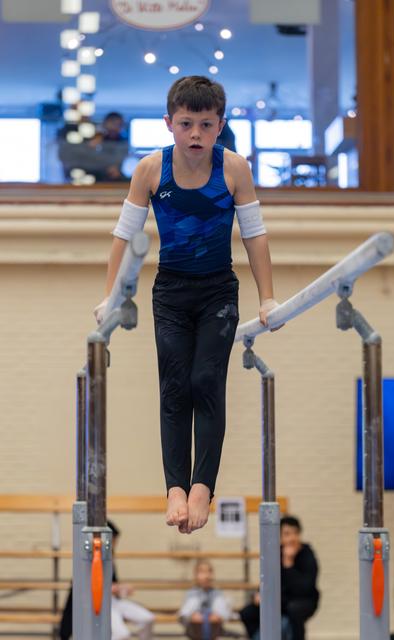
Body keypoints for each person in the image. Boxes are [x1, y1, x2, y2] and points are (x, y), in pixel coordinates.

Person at [94, 75, 282, 534]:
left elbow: (254, 236)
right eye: (186, 124)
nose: (195, 134)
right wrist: (110, 296)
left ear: (220, 126)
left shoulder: (234, 168)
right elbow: (124, 237)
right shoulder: (149, 170)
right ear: (169, 124)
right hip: (171, 292)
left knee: (205, 380)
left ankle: (202, 486)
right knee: (175, 386)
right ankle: (175, 486)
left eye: (205, 124)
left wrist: (268, 297)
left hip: (219, 290)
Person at [59, 520, 154, 640]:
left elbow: (112, 583)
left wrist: (120, 589)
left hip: (112, 601)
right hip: (97, 603)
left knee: (147, 619)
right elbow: (83, 586)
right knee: (122, 634)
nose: (115, 545)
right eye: (114, 541)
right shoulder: (88, 557)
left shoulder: (110, 556)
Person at [239, 516, 319, 640]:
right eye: (287, 534)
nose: (292, 538)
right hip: (281, 599)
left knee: (294, 610)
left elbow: (305, 588)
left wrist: (288, 563)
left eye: (295, 533)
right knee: (247, 612)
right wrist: (260, 594)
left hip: (303, 600)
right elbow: (267, 578)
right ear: (280, 537)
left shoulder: (307, 554)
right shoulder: (275, 553)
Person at [179, 559, 232, 640]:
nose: (206, 575)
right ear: (196, 575)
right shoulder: (192, 593)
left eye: (209, 572)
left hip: (213, 634)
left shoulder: (217, 593)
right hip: (195, 634)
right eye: (202, 572)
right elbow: (184, 614)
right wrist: (192, 616)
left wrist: (214, 617)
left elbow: (223, 614)